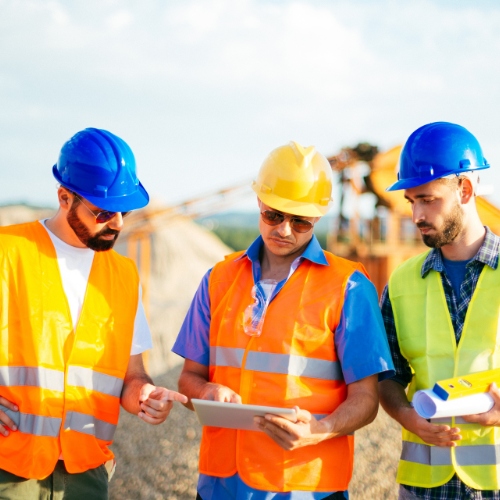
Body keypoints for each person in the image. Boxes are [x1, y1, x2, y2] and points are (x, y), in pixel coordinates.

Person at [172, 141, 395, 500]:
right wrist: (205, 392)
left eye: (301, 221)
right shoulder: (218, 279)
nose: (285, 230)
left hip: (306, 487)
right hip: (220, 486)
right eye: (274, 215)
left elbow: (366, 399)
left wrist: (320, 429)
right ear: (259, 202)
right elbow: (189, 379)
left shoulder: (349, 288)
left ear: (318, 217)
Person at [0, 128, 187, 499]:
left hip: (85, 473)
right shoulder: (8, 253)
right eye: (103, 211)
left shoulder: (124, 275)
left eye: (124, 211)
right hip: (10, 469)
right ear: (64, 197)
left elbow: (131, 375)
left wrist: (144, 395)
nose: (117, 223)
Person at [379, 121, 500, 500]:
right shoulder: (400, 283)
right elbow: (388, 378)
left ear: (465, 189)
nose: (416, 214)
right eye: (411, 201)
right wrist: (407, 416)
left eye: (428, 199)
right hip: (425, 488)